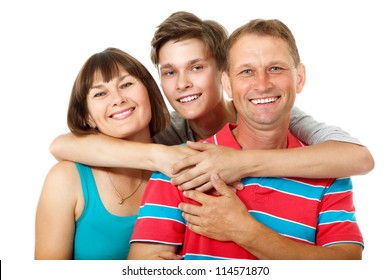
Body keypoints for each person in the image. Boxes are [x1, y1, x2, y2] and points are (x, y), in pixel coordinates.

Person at [49, 11, 374, 192]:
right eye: (170, 72)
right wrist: (160, 156)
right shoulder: (170, 134)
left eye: (196, 67)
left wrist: (241, 161)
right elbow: (64, 145)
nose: (183, 83)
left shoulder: (264, 113)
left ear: (224, 74)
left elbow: (359, 159)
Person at [128, 18, 364, 260]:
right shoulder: (180, 164)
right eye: (247, 71)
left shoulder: (329, 171)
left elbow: (347, 265)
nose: (262, 85)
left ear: (300, 78)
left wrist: (245, 231)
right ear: (227, 83)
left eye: (275, 68)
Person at [35, 48, 182, 260]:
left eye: (126, 84)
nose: (118, 99)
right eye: (100, 93)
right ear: (88, 116)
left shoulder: (179, 166)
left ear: (149, 92)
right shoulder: (66, 180)